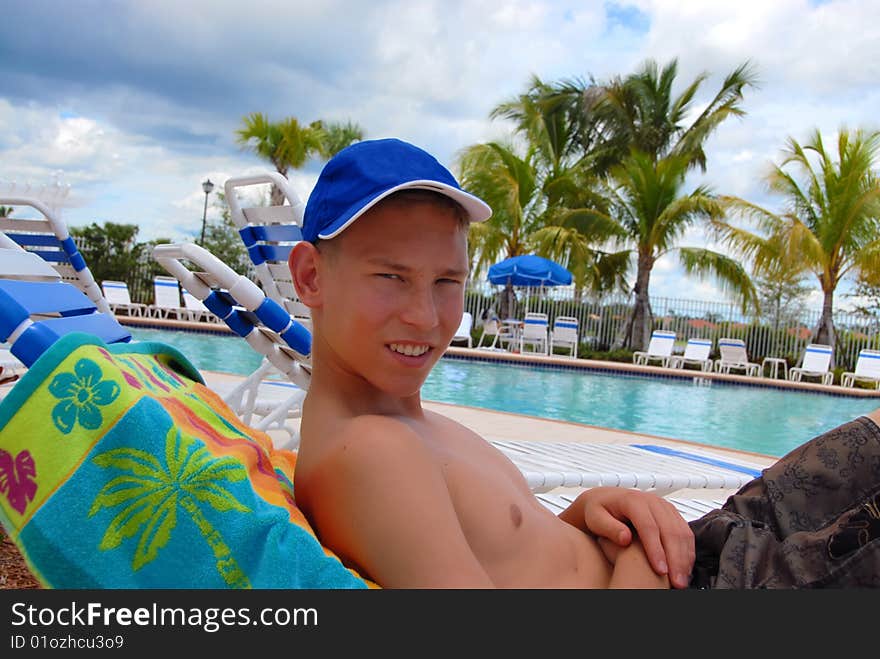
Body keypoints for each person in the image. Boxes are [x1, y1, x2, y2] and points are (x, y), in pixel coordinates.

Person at [288, 137, 880, 589]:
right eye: (391, 277)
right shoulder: (369, 454)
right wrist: (634, 568)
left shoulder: (400, 429)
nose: (425, 315)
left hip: (697, 550)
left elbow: (516, 554)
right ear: (311, 276)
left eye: (446, 281)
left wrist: (591, 513)